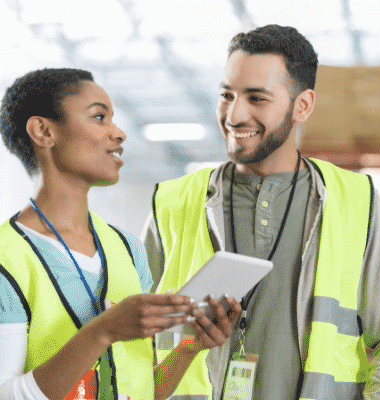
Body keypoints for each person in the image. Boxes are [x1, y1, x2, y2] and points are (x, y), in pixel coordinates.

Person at [143, 25, 380, 400]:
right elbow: (126, 339)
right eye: (227, 95)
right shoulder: (172, 202)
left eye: (256, 98)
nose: (234, 114)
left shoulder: (355, 200)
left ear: (303, 106)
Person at [0, 68, 241, 400]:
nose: (118, 133)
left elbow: (141, 389)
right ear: (42, 131)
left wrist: (190, 347)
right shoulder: (7, 257)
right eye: (99, 117)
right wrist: (102, 332)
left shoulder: (126, 249)